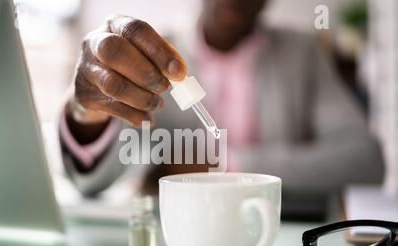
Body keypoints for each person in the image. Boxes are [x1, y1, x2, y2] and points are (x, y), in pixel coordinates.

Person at [59, 0, 384, 199]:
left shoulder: (303, 54)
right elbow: (89, 183)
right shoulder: (148, 59)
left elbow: (365, 162)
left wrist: (222, 164)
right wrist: (85, 110)